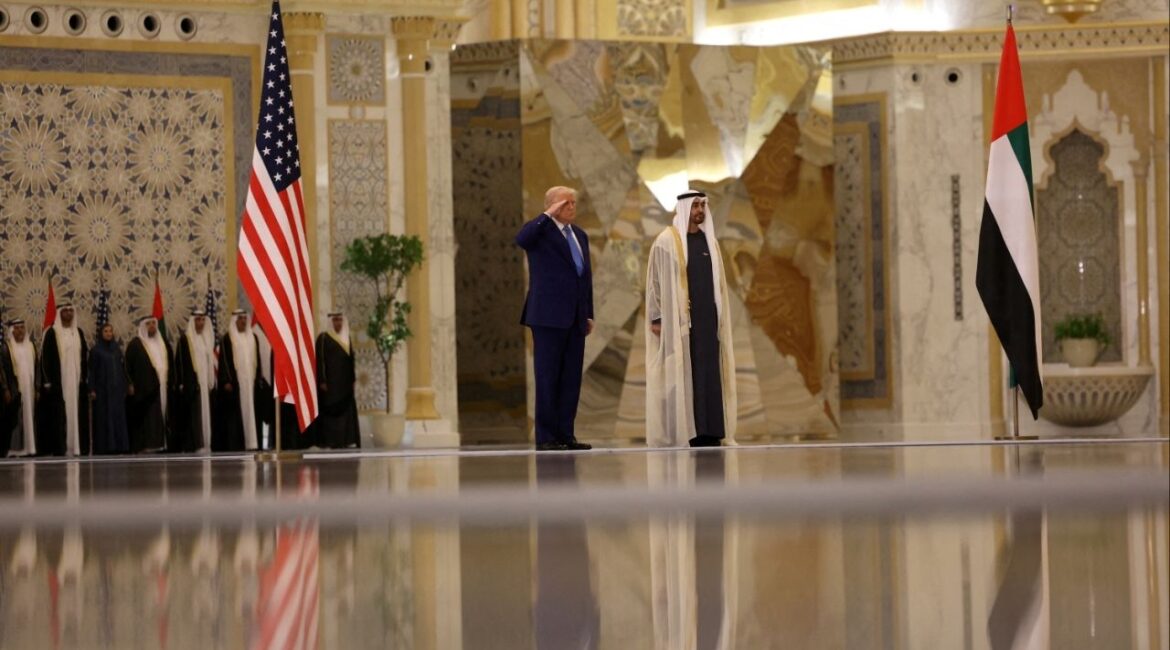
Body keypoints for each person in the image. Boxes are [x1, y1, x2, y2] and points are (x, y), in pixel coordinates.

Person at [644, 190, 737, 448]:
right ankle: (689, 431)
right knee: (686, 373)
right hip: (680, 323)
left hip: (708, 321)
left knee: (709, 372)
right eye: (695, 205)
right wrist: (657, 316)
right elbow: (654, 283)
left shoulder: (710, 242)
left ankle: (712, 429)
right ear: (684, 208)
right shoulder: (666, 241)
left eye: (702, 205)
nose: (700, 210)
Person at [515, 186, 594, 451]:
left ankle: (566, 435)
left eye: (573, 202)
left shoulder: (580, 235)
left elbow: (585, 277)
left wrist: (589, 312)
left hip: (575, 318)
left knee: (571, 378)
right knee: (548, 376)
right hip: (548, 317)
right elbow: (522, 239)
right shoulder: (541, 232)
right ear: (553, 206)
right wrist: (548, 214)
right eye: (566, 203)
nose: (572, 207)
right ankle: (547, 436)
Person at [39, 303, 90, 456]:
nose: (68, 313)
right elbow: (45, 359)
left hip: (76, 381)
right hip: (59, 382)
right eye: (65, 311)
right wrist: (47, 381)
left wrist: (84, 378)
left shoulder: (78, 332)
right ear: (59, 313)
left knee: (76, 413)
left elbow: (84, 357)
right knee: (60, 414)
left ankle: (77, 447)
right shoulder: (52, 333)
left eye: (70, 311)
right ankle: (61, 447)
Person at [218, 310, 265, 451]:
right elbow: (224, 361)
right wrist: (226, 380)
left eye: (245, 318)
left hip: (251, 384)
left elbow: (258, 360)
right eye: (240, 319)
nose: (243, 321)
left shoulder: (253, 337)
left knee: (253, 413)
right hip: (236, 385)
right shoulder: (228, 339)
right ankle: (238, 444)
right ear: (234, 321)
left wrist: (259, 378)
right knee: (236, 416)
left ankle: (254, 444)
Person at [172, 309, 216, 453]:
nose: (201, 323)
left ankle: (205, 443)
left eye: (203, 320)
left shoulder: (205, 339)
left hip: (204, 385)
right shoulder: (185, 340)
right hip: (191, 385)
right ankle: (195, 444)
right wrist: (181, 383)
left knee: (204, 413)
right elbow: (179, 363)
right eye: (198, 320)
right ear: (193, 321)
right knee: (193, 415)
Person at [313, 311, 360, 449]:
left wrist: (353, 379)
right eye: (335, 320)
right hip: (330, 386)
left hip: (345, 385)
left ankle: (346, 440)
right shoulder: (323, 338)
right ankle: (330, 440)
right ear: (330, 322)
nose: (338, 323)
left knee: (346, 412)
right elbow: (319, 361)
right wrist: (322, 380)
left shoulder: (347, 338)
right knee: (330, 414)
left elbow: (351, 361)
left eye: (340, 320)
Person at [125, 316, 171, 453]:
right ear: (143, 326)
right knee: (148, 418)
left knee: (161, 414)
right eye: (149, 324)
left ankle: (160, 444)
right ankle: (147, 445)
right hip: (143, 391)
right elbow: (127, 367)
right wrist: (129, 384)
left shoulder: (162, 343)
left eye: (154, 323)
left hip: (162, 386)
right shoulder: (135, 344)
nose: (152, 326)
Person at [87, 323, 130, 454]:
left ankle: (119, 446)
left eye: (110, 331)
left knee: (118, 418)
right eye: (106, 331)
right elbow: (91, 371)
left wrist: (126, 385)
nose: (109, 334)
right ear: (101, 333)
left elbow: (123, 369)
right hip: (102, 391)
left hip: (117, 392)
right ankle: (105, 447)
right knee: (105, 419)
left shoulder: (117, 349)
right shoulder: (96, 350)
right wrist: (92, 389)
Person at [3, 320, 37, 457]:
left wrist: (38, 388)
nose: (20, 331)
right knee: (16, 419)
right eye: (16, 328)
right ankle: (14, 449)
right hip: (14, 391)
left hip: (30, 390)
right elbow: (3, 371)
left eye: (22, 328)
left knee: (29, 417)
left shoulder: (31, 346)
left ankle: (29, 448)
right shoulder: (7, 348)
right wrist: (6, 389)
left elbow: (37, 367)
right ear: (12, 331)